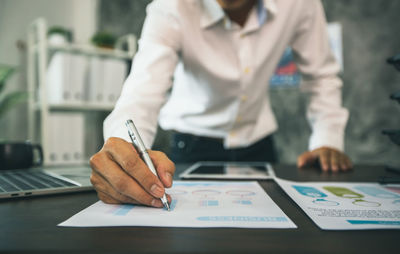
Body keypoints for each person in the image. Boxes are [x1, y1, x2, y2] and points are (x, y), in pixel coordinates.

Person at [90, 0, 352, 207]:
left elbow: (322, 77)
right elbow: (142, 90)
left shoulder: (299, 4)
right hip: (190, 149)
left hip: (259, 148)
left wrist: (327, 138)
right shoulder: (170, 7)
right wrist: (125, 148)